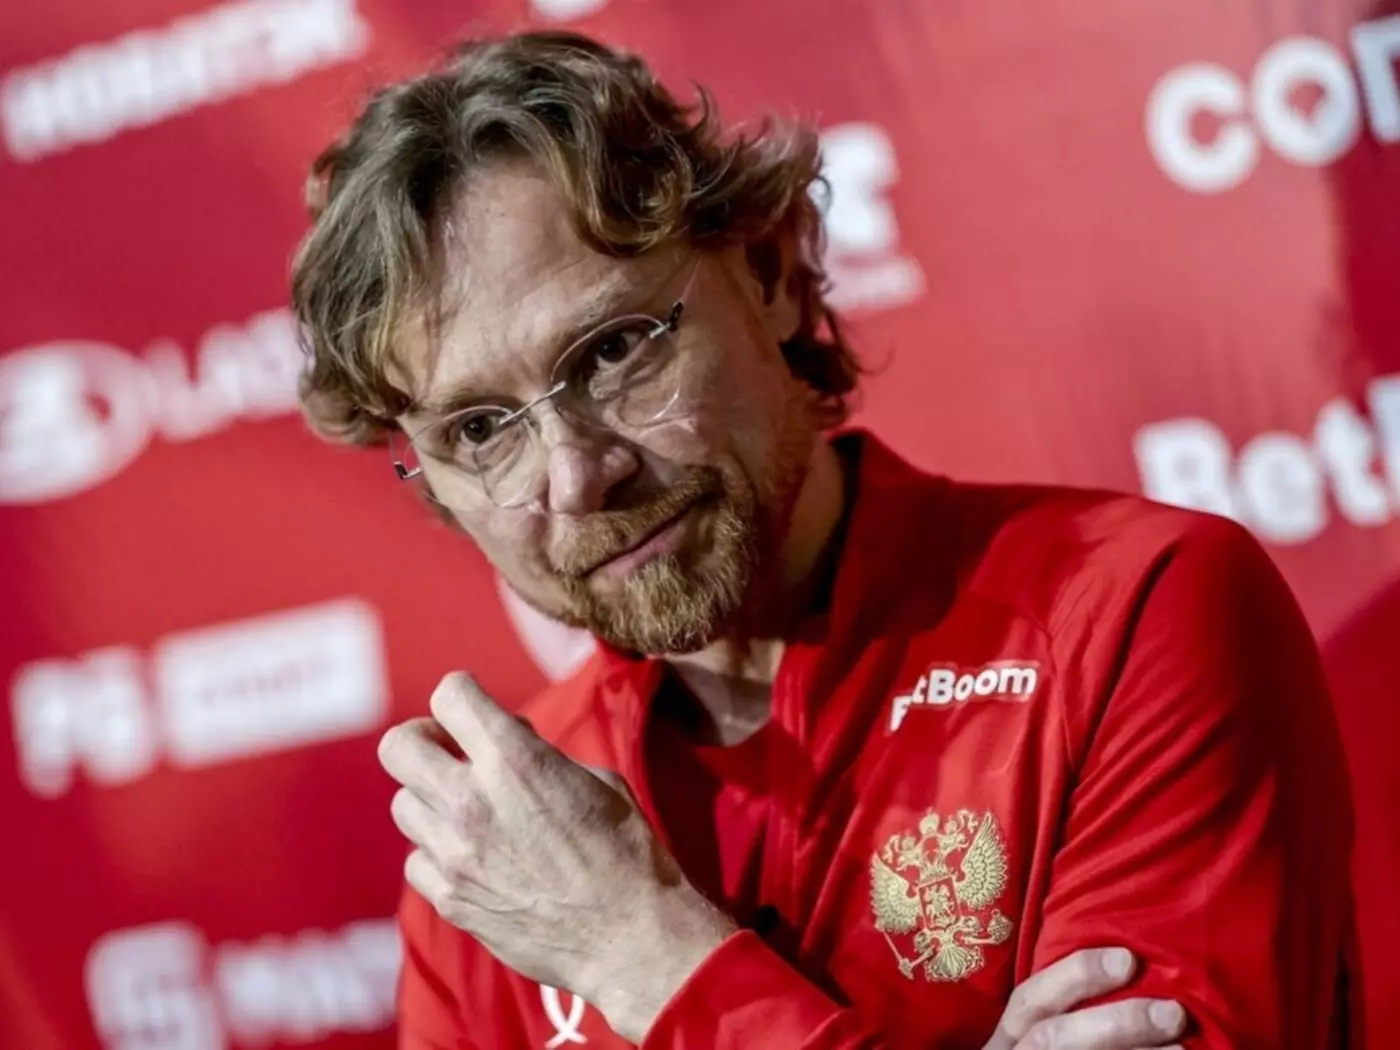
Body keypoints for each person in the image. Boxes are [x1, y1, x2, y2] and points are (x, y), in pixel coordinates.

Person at [290, 30, 1355, 1049]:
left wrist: (639, 955)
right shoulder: (494, 848)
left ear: (770, 273)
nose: (576, 474)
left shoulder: (1126, 617)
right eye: (480, 430)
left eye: (612, 351)